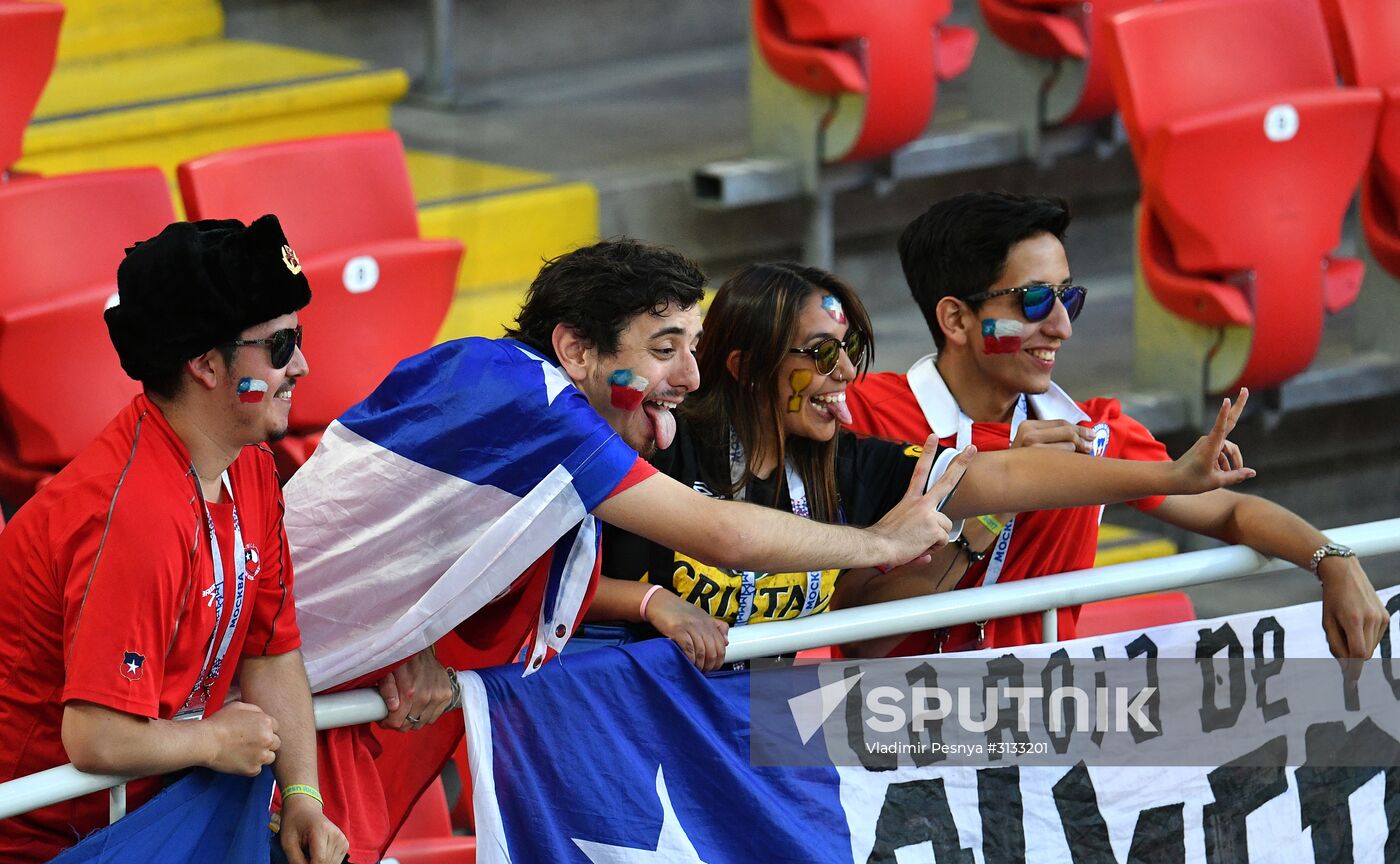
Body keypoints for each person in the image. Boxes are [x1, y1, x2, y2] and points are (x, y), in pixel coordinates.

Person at [281, 239, 968, 862]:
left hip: (306, 697)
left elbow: (416, 553)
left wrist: (414, 647)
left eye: (693, 348)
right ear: (577, 351)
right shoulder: (529, 403)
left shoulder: (518, 410)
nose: (693, 378)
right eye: (664, 349)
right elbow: (721, 534)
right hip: (242, 700)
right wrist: (882, 542)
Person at [596, 261, 1257, 670]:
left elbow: (997, 477)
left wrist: (1169, 478)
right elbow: (530, 586)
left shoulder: (845, 467)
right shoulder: (662, 439)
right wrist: (653, 603)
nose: (849, 374)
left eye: (852, 349)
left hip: (749, 735)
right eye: (822, 354)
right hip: (622, 718)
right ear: (745, 367)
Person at [843, 191, 1390, 658]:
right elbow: (859, 634)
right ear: (956, 319)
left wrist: (1332, 560)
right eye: (1035, 300)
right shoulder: (860, 418)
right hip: (897, 736)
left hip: (1041, 729)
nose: (1061, 327)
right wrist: (991, 504)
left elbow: (1230, 510)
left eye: (1068, 297)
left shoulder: (1091, 430)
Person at [0, 216, 347, 864]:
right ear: (204, 365)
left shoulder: (250, 467)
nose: (302, 363)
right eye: (279, 346)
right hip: (51, 843)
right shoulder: (134, 514)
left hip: (161, 817)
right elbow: (96, 737)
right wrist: (212, 743)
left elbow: (270, 653)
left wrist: (303, 795)